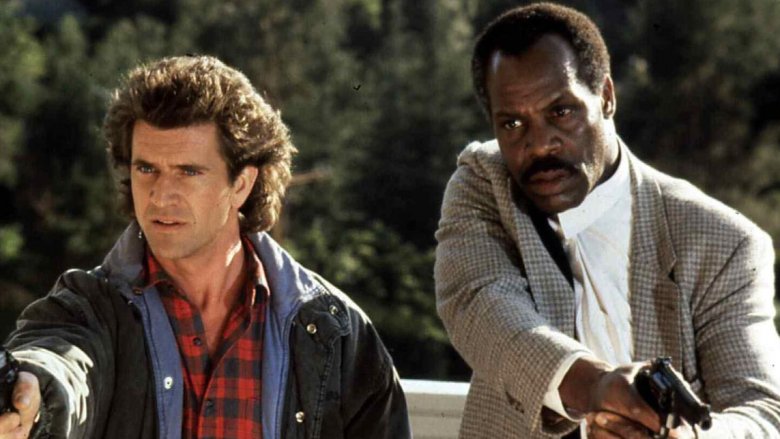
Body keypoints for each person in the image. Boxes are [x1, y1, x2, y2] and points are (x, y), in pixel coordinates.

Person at [0, 55, 411, 439]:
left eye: (188, 172)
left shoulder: (334, 333)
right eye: (147, 168)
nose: (161, 195)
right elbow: (60, 359)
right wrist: (33, 392)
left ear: (241, 184)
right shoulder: (89, 308)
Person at [434, 3, 780, 438]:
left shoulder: (723, 242)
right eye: (513, 123)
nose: (539, 144)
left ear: (607, 96)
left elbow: (762, 412)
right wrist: (596, 386)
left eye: (561, 112)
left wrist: (689, 436)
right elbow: (481, 304)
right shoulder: (485, 181)